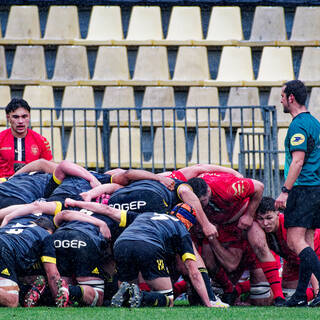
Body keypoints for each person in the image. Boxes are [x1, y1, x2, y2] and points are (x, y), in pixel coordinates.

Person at [109, 203, 216, 308]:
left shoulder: (146, 214)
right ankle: (142, 296)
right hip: (148, 245)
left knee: (129, 291)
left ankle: (125, 296)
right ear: (189, 224)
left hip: (121, 243)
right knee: (168, 300)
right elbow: (194, 273)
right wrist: (209, 303)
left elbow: (108, 210)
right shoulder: (181, 228)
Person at [274, 80, 320, 307]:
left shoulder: (298, 126)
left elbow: (298, 161)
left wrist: (285, 192)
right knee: (307, 243)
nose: (280, 100)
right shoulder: (315, 123)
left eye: (282, 96)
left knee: (294, 241)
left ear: (291, 98)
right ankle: (301, 295)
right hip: (316, 188)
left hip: (303, 188)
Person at [256, 196, 320, 301]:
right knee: (286, 288)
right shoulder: (261, 231)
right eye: (260, 219)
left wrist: (316, 287)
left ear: (277, 213)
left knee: (301, 291)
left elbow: (308, 258)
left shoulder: (288, 226)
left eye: (269, 218)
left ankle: (314, 294)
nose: (265, 223)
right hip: (293, 260)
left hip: (314, 256)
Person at [0, 215, 66, 307]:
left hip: (5, 245)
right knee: (12, 301)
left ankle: (26, 289)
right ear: (50, 231)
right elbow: (52, 274)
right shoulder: (47, 235)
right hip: (5, 249)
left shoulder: (14, 223)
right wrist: (58, 300)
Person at [0, 98, 53, 178]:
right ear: (8, 118)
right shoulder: (1, 139)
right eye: (16, 117)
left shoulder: (40, 140)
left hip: (31, 187)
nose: (20, 121)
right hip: (4, 186)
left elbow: (50, 167)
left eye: (24, 116)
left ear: (29, 117)